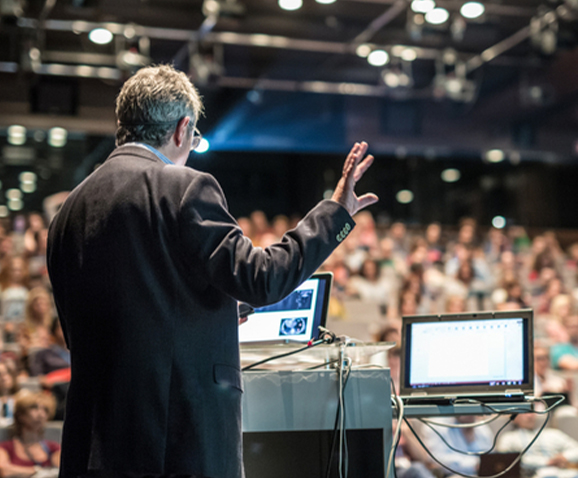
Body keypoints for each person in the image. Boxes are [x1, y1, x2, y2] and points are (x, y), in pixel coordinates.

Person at [46, 64, 378, 478]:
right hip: (176, 441)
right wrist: (336, 214)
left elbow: (114, 318)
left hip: (94, 446)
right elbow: (263, 278)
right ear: (183, 129)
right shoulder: (182, 185)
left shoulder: (68, 212)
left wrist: (215, 311)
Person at [497, 412, 578, 477]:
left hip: (562, 473)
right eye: (524, 413)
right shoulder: (508, 438)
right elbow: (506, 461)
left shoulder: (552, 434)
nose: (529, 416)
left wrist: (565, 457)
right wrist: (547, 462)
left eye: (532, 412)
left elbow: (576, 448)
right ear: (514, 417)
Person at [0, 391, 60, 478]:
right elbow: (3, 471)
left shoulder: (53, 447)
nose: (41, 414)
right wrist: (37, 470)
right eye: (34, 408)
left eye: (45, 410)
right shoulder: (6, 447)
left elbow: (61, 469)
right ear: (21, 415)